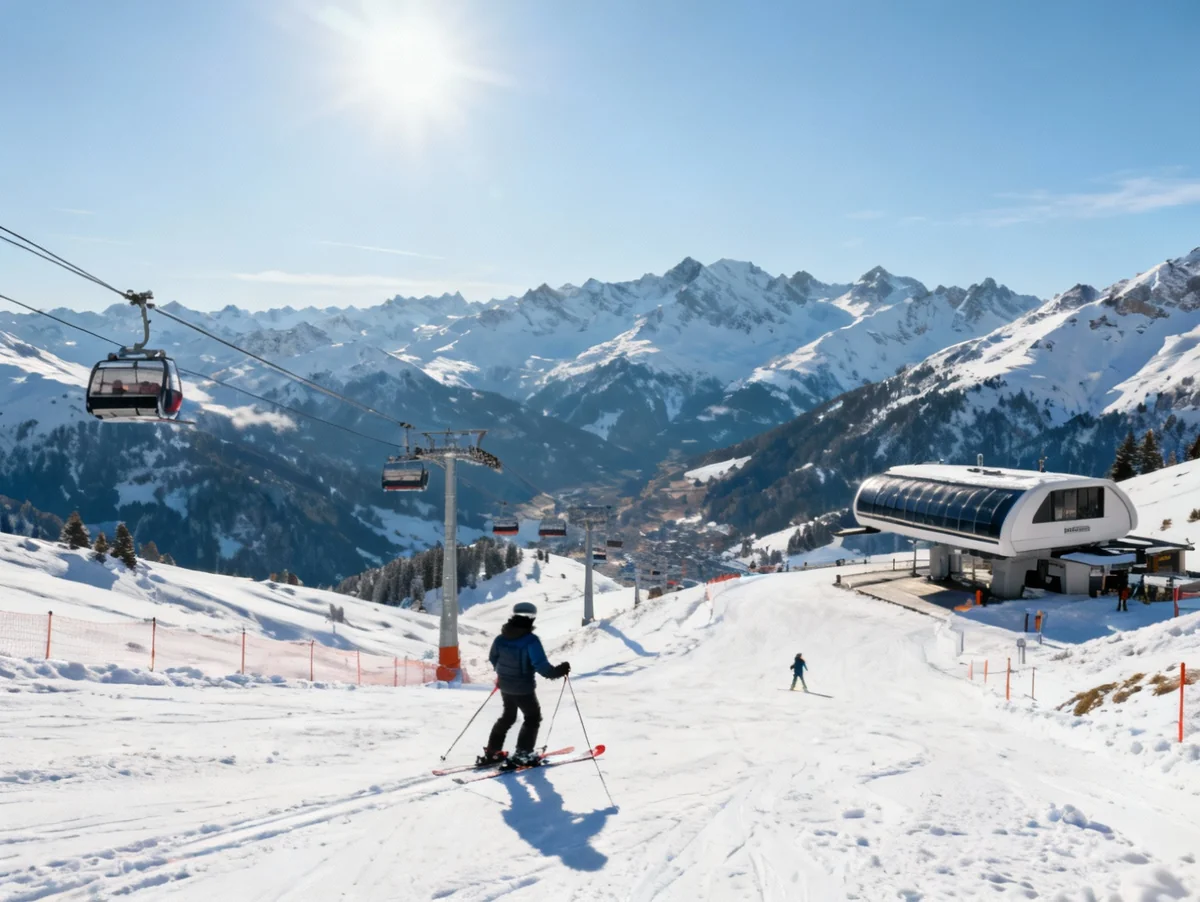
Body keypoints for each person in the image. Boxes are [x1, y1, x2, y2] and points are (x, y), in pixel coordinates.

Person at [479, 601, 570, 768]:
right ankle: (523, 754)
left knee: (508, 716)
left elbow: (493, 658)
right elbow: (542, 667)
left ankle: (493, 752)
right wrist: (560, 670)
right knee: (532, 717)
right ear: (532, 619)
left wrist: (503, 674)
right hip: (523, 688)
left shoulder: (501, 638)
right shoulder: (530, 641)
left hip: (505, 686)